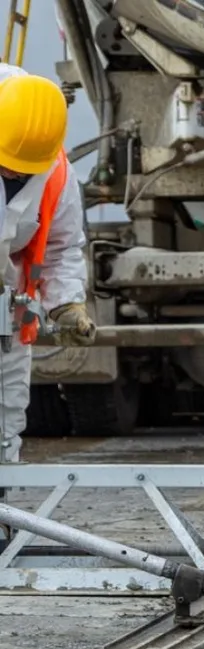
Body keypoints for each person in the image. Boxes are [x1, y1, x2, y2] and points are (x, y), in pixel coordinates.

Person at [0, 68, 94, 464]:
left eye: (25, 167)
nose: (16, 173)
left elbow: (59, 247)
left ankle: (3, 515)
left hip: (8, 306)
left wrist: (65, 304)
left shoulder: (54, 169)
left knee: (6, 419)